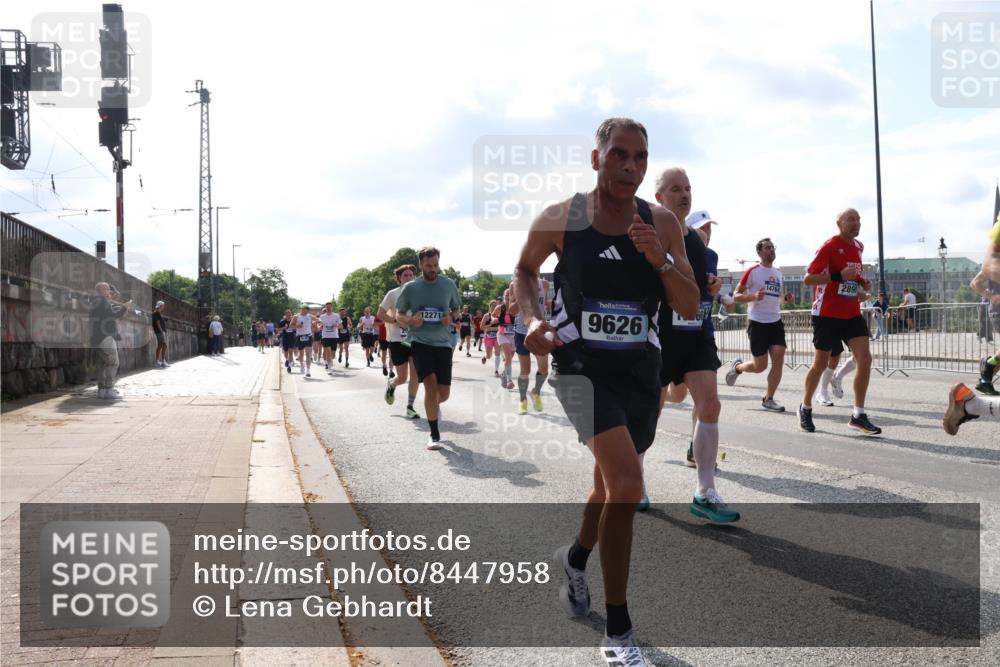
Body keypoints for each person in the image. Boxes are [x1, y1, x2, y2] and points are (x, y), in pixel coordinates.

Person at [515, 118, 698, 666]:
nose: (630, 166)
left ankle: (575, 559)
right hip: (578, 364)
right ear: (596, 159)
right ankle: (619, 632)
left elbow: (688, 306)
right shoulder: (562, 219)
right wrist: (530, 320)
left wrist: (660, 260)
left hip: (640, 369)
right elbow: (525, 271)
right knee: (627, 482)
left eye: (640, 158)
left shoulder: (660, 222)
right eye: (619, 154)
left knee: (608, 486)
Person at [653, 174, 734, 522]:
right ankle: (635, 480)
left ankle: (705, 490)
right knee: (649, 409)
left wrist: (711, 286)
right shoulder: (649, 233)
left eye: (688, 189)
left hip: (697, 332)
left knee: (710, 404)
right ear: (660, 196)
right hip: (660, 334)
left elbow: (702, 285)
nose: (684, 195)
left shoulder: (699, 242)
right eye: (676, 189)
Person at [798, 208, 881, 435]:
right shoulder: (829, 247)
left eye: (859, 219)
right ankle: (805, 406)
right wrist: (838, 277)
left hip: (851, 312)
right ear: (839, 223)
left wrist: (861, 285)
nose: (857, 223)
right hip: (826, 314)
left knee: (865, 358)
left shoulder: (858, 247)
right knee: (820, 364)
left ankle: (858, 415)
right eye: (851, 219)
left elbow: (850, 276)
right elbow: (808, 279)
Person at [395, 248, 462, 449]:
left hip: (443, 343)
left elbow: (457, 309)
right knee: (430, 386)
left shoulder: (448, 284)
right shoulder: (411, 288)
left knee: (443, 394)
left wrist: (450, 317)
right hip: (420, 342)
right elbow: (399, 314)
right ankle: (434, 434)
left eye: (435, 265)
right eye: (428, 266)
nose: (433, 269)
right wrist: (410, 321)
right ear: (421, 265)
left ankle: (433, 407)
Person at [725, 237, 787, 412]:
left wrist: (786, 299)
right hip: (757, 322)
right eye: (767, 248)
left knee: (779, 358)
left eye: (772, 247)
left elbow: (778, 299)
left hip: (775, 321)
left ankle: (769, 398)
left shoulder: (778, 273)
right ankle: (738, 368)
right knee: (760, 366)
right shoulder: (753, 271)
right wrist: (753, 297)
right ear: (759, 252)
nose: (771, 250)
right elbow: (736, 296)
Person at [379, 264, 422, 419]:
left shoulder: (420, 293)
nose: (409, 278)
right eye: (405, 275)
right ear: (399, 279)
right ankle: (392, 384)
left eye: (411, 275)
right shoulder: (393, 294)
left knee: (415, 374)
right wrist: (395, 321)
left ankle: (410, 407)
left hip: (416, 339)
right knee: (402, 377)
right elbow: (380, 313)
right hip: (397, 340)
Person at [510, 276, 551, 414]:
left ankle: (535, 392)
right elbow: (512, 311)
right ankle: (523, 400)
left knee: (544, 369)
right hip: (522, 332)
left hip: (539, 332)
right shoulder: (514, 285)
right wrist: (521, 294)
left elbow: (544, 305)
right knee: (525, 371)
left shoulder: (544, 284)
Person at [91, 282, 133, 399]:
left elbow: (109, 315)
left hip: (97, 338)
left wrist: (121, 308)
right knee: (113, 362)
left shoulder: (96, 301)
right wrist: (125, 306)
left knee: (102, 364)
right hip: (105, 337)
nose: (110, 291)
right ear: (103, 290)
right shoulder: (102, 301)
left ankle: (101, 390)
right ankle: (109, 389)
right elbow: (113, 315)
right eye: (108, 289)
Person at [318, 303, 342, 373]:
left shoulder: (336, 316)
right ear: (325, 308)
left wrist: (336, 325)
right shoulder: (322, 316)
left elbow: (341, 326)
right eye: (327, 307)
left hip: (334, 337)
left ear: (332, 308)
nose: (328, 309)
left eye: (329, 307)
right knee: (328, 352)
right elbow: (319, 325)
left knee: (333, 355)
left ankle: (330, 363)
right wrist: (320, 327)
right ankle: (330, 369)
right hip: (325, 336)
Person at [292, 305, 315, 377]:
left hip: (308, 336)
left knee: (308, 354)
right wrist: (297, 326)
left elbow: (318, 319)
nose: (306, 311)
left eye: (307, 310)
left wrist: (319, 322)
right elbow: (291, 325)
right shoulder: (296, 316)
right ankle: (302, 364)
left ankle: (308, 370)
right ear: (302, 309)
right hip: (300, 336)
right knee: (301, 353)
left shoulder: (310, 316)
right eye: (304, 309)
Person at [152, 300, 169, 368]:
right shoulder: (156, 313)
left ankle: (162, 361)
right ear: (160, 306)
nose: (163, 307)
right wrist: (162, 331)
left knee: (163, 345)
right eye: (163, 306)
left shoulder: (158, 313)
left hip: (160, 332)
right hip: (159, 332)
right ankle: (157, 362)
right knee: (161, 345)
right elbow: (157, 323)